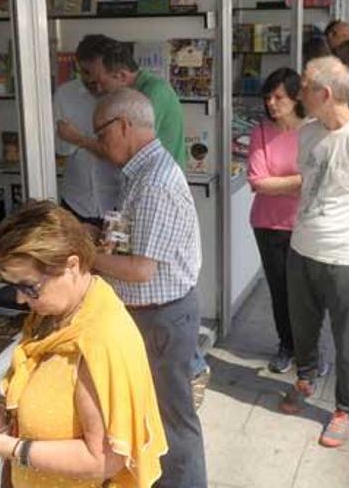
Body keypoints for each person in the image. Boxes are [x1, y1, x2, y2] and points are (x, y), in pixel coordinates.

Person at [0, 200, 168, 488]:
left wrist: (12, 448)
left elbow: (104, 459)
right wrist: (4, 413)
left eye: (29, 286)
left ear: (72, 265)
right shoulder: (53, 315)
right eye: (14, 286)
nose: (20, 299)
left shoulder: (100, 341)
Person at [278, 56, 349, 449]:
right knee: (303, 327)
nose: (298, 94)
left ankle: (345, 407)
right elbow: (308, 183)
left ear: (324, 94)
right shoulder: (309, 132)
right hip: (303, 250)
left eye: (305, 88)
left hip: (348, 258)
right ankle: (305, 379)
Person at [92, 88, 207, 487]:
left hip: (161, 318)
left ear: (123, 126)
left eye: (101, 134)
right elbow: (133, 244)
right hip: (156, 315)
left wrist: (84, 257)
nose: (100, 144)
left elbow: (141, 270)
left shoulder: (154, 180)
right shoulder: (141, 172)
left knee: (172, 423)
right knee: (156, 416)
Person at [246, 68, 305, 374]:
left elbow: (323, 179)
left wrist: (278, 184)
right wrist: (300, 181)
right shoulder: (261, 132)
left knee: (306, 292)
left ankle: (307, 349)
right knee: (280, 289)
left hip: (305, 226)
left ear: (296, 98)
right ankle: (286, 345)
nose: (271, 102)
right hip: (268, 225)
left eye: (279, 96)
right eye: (268, 96)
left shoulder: (312, 130)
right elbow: (258, 182)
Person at [58, 34, 187, 169]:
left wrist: (77, 138)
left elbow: (120, 152)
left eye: (99, 83)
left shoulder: (153, 92)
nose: (96, 90)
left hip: (158, 183)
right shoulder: (132, 93)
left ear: (122, 75)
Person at [52, 38, 122, 225]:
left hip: (117, 201)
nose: (95, 85)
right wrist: (70, 140)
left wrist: (78, 138)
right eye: (86, 74)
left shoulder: (124, 96)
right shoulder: (65, 94)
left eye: (99, 77)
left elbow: (121, 153)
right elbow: (60, 149)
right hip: (76, 200)